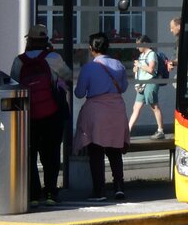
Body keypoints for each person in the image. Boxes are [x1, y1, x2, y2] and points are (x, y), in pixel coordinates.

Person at [10, 24, 71, 206]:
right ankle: (51, 193)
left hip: (28, 114)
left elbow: (13, 83)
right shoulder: (53, 58)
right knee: (51, 154)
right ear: (45, 41)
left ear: (29, 40)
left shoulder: (19, 61)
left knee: (30, 154)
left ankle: (34, 195)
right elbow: (67, 76)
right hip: (52, 114)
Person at [74, 32, 130, 202]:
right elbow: (123, 87)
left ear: (91, 48)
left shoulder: (89, 68)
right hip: (117, 110)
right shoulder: (118, 65)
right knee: (114, 151)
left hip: (96, 112)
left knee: (96, 151)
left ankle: (99, 191)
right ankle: (119, 187)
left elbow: (79, 93)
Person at [128, 36, 166, 139]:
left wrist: (140, 65)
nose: (137, 47)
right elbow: (141, 70)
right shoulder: (142, 55)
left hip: (150, 82)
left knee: (154, 106)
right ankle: (127, 131)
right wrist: (136, 69)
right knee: (136, 107)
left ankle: (160, 130)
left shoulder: (151, 54)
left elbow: (151, 69)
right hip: (142, 84)